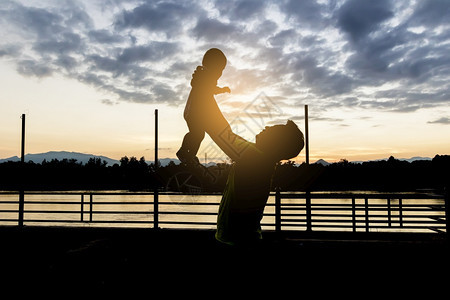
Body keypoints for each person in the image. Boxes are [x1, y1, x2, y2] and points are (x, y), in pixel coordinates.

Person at [212, 121, 304, 246]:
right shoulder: (261, 157)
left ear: (275, 143)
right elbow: (227, 133)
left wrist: (203, 102)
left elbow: (220, 132)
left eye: (272, 130)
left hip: (238, 241)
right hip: (245, 238)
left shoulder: (254, 156)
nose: (266, 127)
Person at [177, 48, 231, 164]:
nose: (221, 73)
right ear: (214, 67)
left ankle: (190, 156)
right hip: (194, 113)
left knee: (198, 135)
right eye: (221, 69)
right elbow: (208, 89)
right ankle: (183, 153)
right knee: (197, 134)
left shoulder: (203, 75)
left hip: (193, 112)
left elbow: (208, 90)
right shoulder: (205, 76)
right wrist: (222, 90)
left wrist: (220, 90)